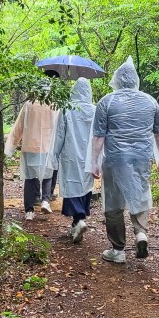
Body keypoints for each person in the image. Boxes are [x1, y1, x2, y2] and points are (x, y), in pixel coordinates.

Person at [89, 57, 159, 263]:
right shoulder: (150, 101)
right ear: (136, 80)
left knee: (113, 202)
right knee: (140, 193)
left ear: (116, 80)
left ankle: (118, 250)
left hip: (114, 159)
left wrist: (93, 162)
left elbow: (98, 136)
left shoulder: (106, 102)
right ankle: (141, 233)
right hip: (142, 157)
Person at [49, 78, 96, 243]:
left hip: (70, 155)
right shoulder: (95, 110)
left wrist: (53, 155)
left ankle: (79, 218)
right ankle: (78, 222)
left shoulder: (67, 109)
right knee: (85, 186)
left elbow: (59, 134)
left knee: (72, 186)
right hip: (90, 156)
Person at [5, 90, 59, 221]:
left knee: (30, 178)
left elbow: (19, 127)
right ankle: (45, 200)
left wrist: (11, 146)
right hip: (48, 146)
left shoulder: (29, 105)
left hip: (30, 146)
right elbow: (58, 127)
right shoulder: (54, 105)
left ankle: (29, 210)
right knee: (48, 174)